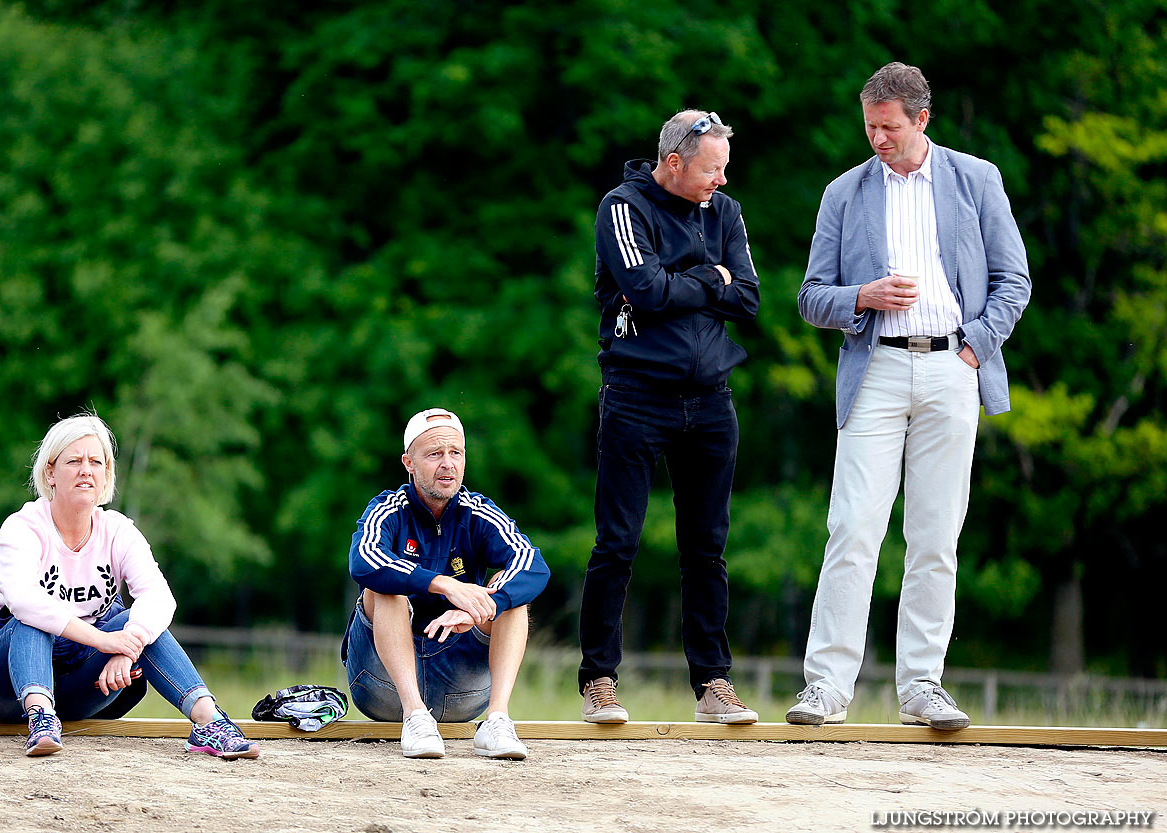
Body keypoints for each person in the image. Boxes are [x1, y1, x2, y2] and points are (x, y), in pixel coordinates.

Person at [790, 63, 1031, 730]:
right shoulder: (844, 192)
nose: (877, 138)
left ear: (922, 120)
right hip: (875, 371)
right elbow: (811, 296)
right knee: (853, 528)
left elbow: (1015, 278)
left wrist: (977, 343)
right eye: (868, 126)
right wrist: (862, 297)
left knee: (934, 536)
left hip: (953, 364)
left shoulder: (977, 180)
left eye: (888, 127)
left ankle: (923, 685)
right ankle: (826, 687)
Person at [0, 413, 260, 758]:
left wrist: (126, 646)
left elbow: (159, 597)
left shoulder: (117, 530)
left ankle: (209, 722)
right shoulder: (23, 527)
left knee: (143, 622)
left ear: (105, 477)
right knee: (34, 620)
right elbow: (25, 601)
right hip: (0, 685)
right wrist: (106, 640)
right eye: (74, 461)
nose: (86, 469)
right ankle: (40, 716)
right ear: (51, 473)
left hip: (76, 684)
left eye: (95, 462)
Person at [579, 110, 761, 725]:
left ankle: (713, 683)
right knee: (619, 542)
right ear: (675, 162)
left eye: (725, 171)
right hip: (635, 393)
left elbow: (750, 298)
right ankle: (599, 679)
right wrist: (713, 276)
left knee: (706, 548)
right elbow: (645, 291)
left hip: (712, 399)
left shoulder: (725, 213)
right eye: (712, 171)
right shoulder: (622, 206)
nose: (721, 182)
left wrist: (687, 281)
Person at [345, 408, 550, 759]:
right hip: (382, 687)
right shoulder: (387, 509)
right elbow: (362, 561)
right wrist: (443, 584)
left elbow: (533, 564)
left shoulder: (478, 512)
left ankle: (497, 721)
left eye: (456, 453)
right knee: (383, 588)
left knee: (508, 589)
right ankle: (415, 717)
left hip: (461, 687)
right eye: (435, 454)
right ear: (409, 462)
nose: (448, 464)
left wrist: (481, 609)